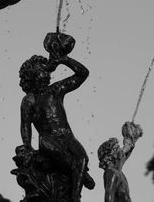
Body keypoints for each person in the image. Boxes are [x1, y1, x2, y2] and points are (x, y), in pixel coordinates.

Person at [19, 32, 95, 202]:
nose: (46, 73)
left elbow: (83, 74)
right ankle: (80, 177)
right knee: (70, 163)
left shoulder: (55, 90)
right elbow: (25, 126)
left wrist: (64, 59)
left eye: (46, 70)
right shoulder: (29, 100)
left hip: (67, 136)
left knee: (83, 158)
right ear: (31, 76)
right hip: (48, 139)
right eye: (41, 70)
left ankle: (76, 193)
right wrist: (27, 146)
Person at [98, 122, 143, 202]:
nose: (122, 151)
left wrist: (131, 141)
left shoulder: (116, 170)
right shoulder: (112, 172)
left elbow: (124, 154)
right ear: (113, 155)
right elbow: (108, 197)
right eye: (118, 149)